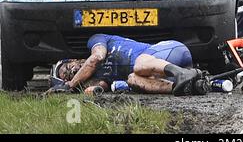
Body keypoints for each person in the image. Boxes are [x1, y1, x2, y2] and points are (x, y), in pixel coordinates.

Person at [47, 34, 207, 96]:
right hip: (162, 74)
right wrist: (74, 89)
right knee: (132, 79)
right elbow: (99, 87)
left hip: (173, 50)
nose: (72, 71)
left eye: (68, 68)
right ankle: (185, 86)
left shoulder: (96, 40)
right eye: (67, 75)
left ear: (73, 60)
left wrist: (70, 84)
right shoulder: (101, 78)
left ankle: (180, 73)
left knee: (138, 66)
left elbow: (97, 57)